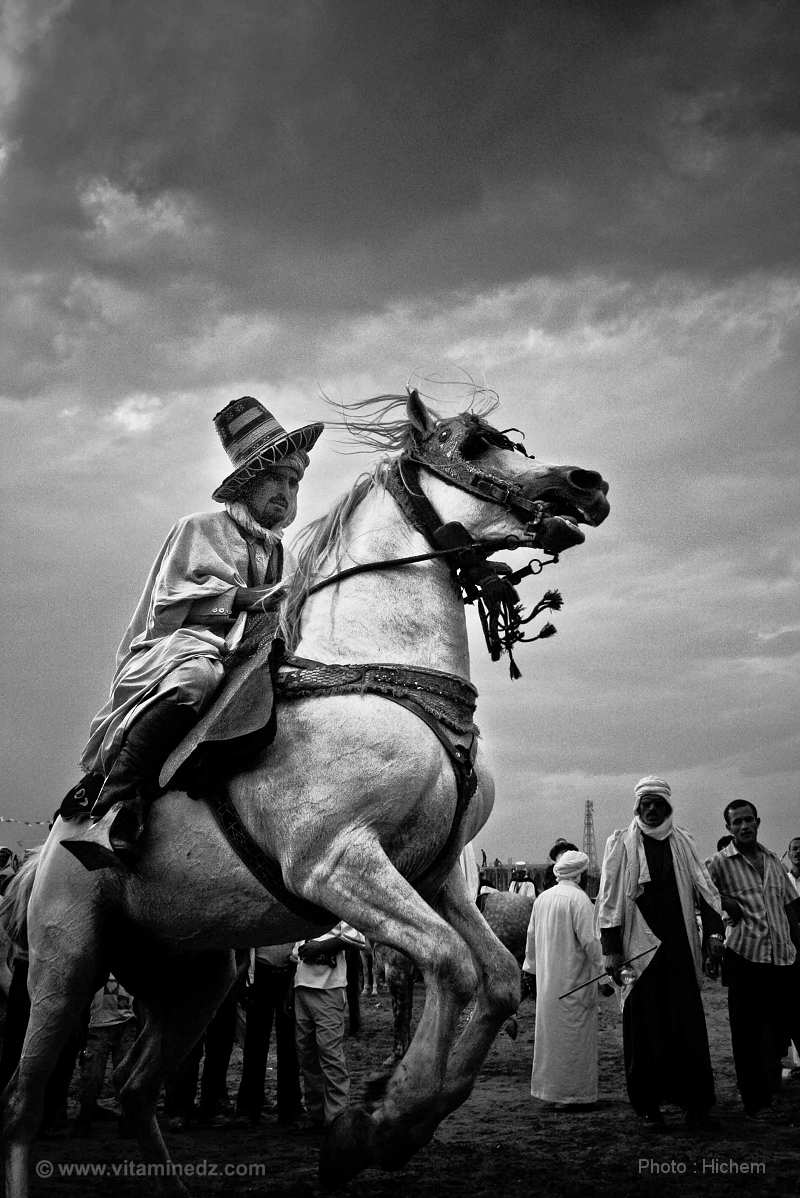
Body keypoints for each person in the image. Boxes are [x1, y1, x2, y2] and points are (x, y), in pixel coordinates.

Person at [62, 398, 323, 869]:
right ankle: (112, 803)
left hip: (245, 652)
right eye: (277, 479)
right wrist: (252, 599)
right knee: (195, 682)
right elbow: (171, 605)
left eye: (294, 481)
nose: (287, 491)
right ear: (248, 483)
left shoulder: (278, 551)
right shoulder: (199, 528)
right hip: (176, 649)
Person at [596, 776, 724, 1130]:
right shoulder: (620, 843)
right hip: (638, 951)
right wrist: (610, 950)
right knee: (643, 1029)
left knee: (687, 1026)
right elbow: (608, 899)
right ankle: (648, 1105)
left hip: (679, 948)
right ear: (637, 808)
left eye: (658, 804)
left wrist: (714, 933)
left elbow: (705, 889)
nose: (651, 810)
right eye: (645, 804)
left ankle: (695, 1102)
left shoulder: (683, 842)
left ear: (668, 808)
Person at [706, 802, 800, 1119]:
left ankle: (772, 1088)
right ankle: (753, 1100)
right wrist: (726, 904)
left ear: (758, 822)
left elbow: (791, 908)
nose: (744, 826)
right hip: (745, 957)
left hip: (782, 957)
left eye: (749, 820)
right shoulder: (719, 863)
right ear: (729, 828)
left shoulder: (773, 860)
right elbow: (701, 893)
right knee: (746, 1033)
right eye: (737, 822)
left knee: (777, 1031)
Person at [522, 850, 612, 1109]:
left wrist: (532, 972)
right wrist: (605, 978)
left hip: (549, 985)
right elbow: (591, 944)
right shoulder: (580, 900)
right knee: (574, 1039)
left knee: (552, 1040)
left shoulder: (543, 899)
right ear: (580, 875)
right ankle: (574, 1096)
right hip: (575, 984)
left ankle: (550, 1092)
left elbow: (531, 940)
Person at [292, 922, 366, 1130]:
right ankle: (316, 1114)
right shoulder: (308, 908)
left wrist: (320, 947)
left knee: (329, 1053)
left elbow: (355, 937)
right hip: (302, 985)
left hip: (329, 987)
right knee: (307, 1054)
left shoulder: (339, 904)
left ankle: (336, 1116)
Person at [235, 942, 302, 1127]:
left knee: (289, 1045)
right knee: (255, 1043)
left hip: (291, 972)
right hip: (260, 974)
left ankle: (290, 1109)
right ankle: (248, 1108)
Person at [73, 975, 137, 1136]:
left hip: (126, 1022)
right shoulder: (97, 960)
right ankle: (85, 1119)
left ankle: (127, 1121)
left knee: (125, 1075)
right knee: (93, 1076)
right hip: (97, 1024)